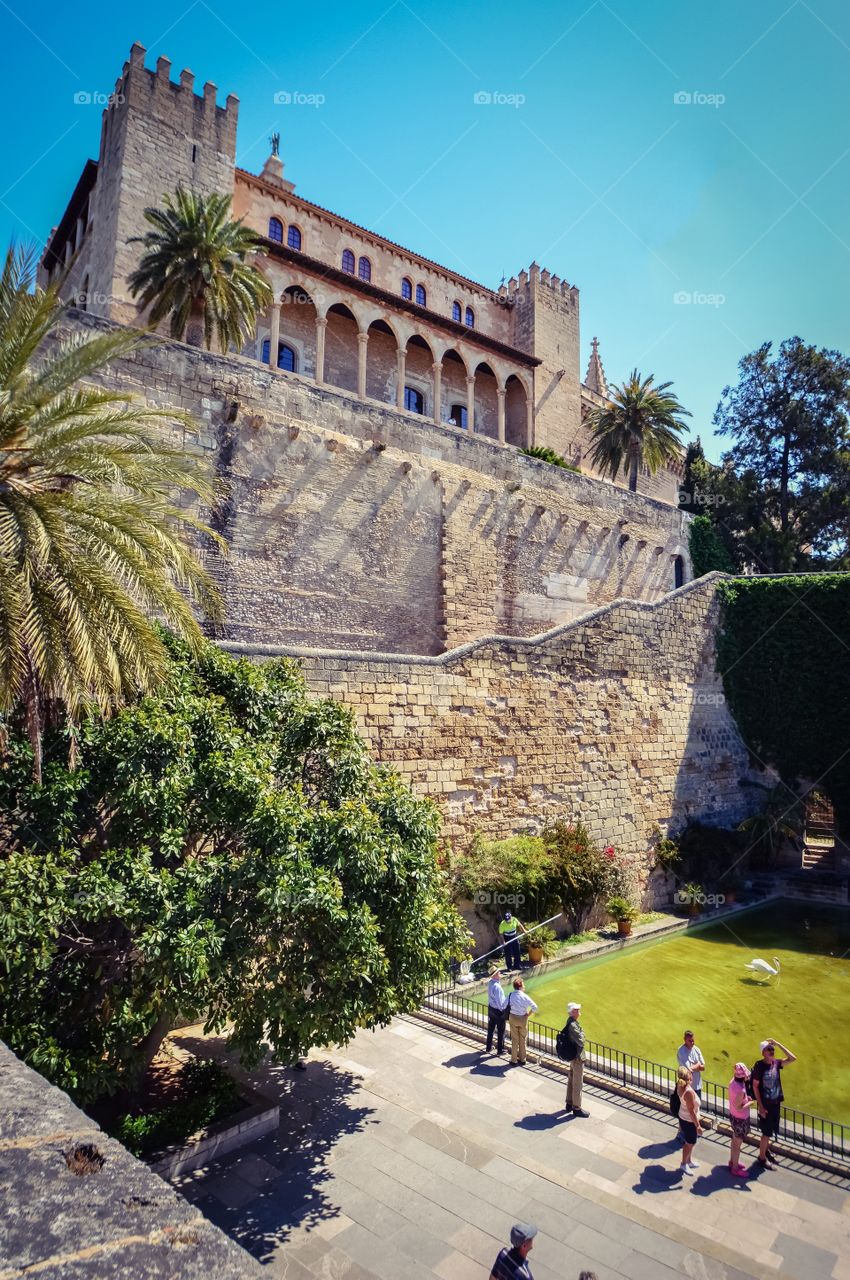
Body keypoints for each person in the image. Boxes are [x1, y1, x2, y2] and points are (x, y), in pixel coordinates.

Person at [752, 1037, 796, 1168]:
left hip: (775, 1103)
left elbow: (793, 1058)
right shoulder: (759, 1066)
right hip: (766, 1105)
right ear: (763, 1053)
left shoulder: (776, 1063)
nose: (771, 1051)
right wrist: (760, 1106)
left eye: (772, 1049)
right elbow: (755, 1086)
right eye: (768, 1049)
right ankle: (761, 1158)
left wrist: (778, 1043)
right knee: (766, 1133)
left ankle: (765, 1151)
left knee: (770, 1131)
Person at [676, 1029, 705, 1141]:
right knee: (687, 1110)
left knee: (696, 1109)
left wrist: (695, 1067)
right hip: (687, 1088)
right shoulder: (681, 1051)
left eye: (693, 1040)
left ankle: (693, 1131)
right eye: (689, 1041)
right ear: (685, 1040)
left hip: (696, 1085)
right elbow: (686, 1070)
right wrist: (696, 1066)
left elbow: (703, 1067)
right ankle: (682, 1132)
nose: (692, 1043)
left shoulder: (696, 1050)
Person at [727, 1062, 756, 1177]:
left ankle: (732, 1161)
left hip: (734, 1117)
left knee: (734, 1140)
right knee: (737, 1145)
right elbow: (738, 1106)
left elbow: (735, 1102)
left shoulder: (732, 1082)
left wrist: (745, 1099)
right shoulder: (741, 1090)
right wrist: (749, 1103)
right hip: (740, 1119)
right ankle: (735, 1168)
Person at [675, 1065, 702, 1175]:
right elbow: (691, 1112)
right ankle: (683, 1164)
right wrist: (698, 1126)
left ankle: (689, 1161)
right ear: (689, 1077)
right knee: (689, 1143)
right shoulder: (689, 1092)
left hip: (684, 1117)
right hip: (689, 1121)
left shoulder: (679, 1086)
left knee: (691, 1141)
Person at [564, 1001, 589, 1117]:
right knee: (577, 1083)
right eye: (576, 1010)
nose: (578, 1012)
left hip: (573, 1056)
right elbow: (581, 1040)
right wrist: (583, 1033)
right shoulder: (573, 1025)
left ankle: (569, 1103)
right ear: (572, 1013)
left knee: (571, 1079)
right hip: (577, 1057)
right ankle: (577, 1107)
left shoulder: (571, 1022)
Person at [507, 977, 537, 1066]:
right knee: (522, 1039)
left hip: (513, 1017)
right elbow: (535, 1007)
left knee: (514, 1039)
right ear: (520, 986)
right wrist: (528, 1014)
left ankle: (513, 1060)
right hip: (522, 1018)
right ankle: (523, 1059)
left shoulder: (511, 995)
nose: (524, 986)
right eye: (523, 984)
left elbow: (503, 1005)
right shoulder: (525, 996)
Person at [485, 963, 508, 1055]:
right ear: (494, 975)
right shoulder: (497, 987)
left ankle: (488, 1047)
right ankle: (500, 1050)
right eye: (498, 972)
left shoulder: (490, 983)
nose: (500, 973)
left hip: (491, 1009)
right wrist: (504, 1011)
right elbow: (500, 1003)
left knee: (490, 1030)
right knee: (501, 1031)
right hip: (498, 1011)